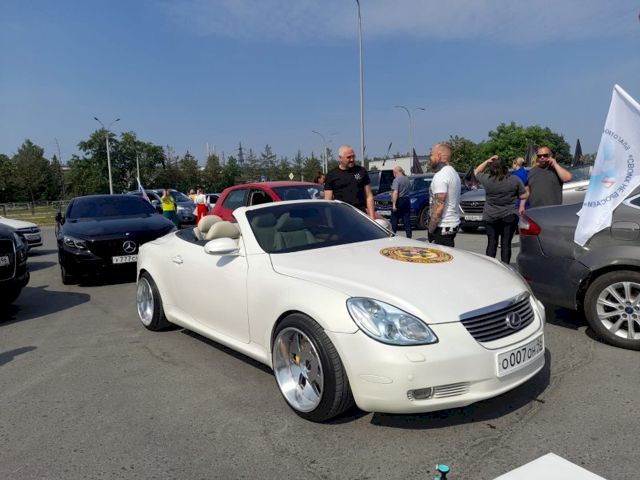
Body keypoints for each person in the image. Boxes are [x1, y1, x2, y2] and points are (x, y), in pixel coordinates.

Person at [475, 155, 529, 264]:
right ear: (504, 167)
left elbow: (476, 171)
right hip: (509, 215)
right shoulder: (514, 179)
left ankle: (490, 266)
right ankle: (505, 267)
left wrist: (487, 161)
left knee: (491, 242)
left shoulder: (487, 179)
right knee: (506, 243)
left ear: (491, 168)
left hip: (490, 215)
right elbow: (524, 196)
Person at [324, 144, 375, 219]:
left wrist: (372, 217)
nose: (352, 159)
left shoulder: (361, 171)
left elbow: (369, 196)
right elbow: (328, 201)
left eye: (353, 156)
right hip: (341, 217)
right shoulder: (332, 175)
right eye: (348, 157)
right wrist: (329, 221)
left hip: (360, 216)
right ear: (340, 158)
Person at [428, 143, 461, 247]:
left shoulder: (441, 175)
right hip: (452, 224)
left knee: (441, 256)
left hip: (443, 226)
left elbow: (439, 206)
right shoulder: (453, 172)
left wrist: (431, 229)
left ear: (438, 156)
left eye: (432, 155)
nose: (430, 158)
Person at [390, 165, 412, 238]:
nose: (393, 175)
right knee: (406, 219)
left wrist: (394, 205)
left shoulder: (396, 180)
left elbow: (395, 192)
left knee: (394, 219)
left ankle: (393, 236)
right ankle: (409, 237)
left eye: (393, 173)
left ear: (396, 172)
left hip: (399, 201)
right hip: (407, 200)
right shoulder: (407, 179)